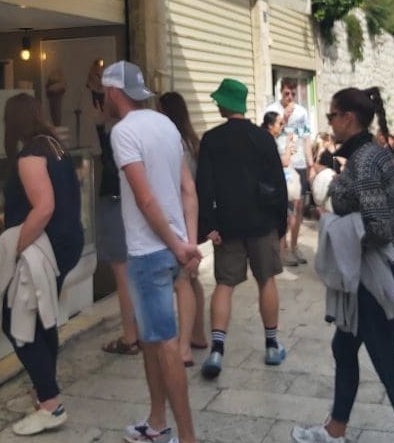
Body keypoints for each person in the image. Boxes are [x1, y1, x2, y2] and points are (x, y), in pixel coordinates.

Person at [292, 87, 394, 443]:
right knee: (343, 348)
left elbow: (379, 227)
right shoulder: (376, 153)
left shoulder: (364, 161)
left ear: (347, 118)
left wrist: (338, 230)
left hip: (373, 276)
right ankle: (334, 431)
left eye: (331, 116)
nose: (330, 123)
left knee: (390, 369)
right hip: (384, 269)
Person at [104, 61, 200, 443]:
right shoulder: (166, 125)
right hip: (173, 249)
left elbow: (144, 198)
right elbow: (188, 189)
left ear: (113, 92)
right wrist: (188, 243)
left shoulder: (123, 132)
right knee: (149, 341)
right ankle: (157, 422)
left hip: (149, 253)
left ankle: (187, 437)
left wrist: (178, 245)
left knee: (163, 345)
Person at [0, 94, 85, 435]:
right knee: (42, 318)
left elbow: (44, 207)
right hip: (65, 243)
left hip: (42, 248)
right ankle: (44, 392)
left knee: (17, 322)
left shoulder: (30, 155)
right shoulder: (54, 146)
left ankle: (50, 404)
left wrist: (15, 247)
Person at [195, 81, 289, 380]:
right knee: (266, 280)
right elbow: (278, 183)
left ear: (226, 104)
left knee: (224, 284)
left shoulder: (211, 139)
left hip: (227, 225)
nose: (216, 105)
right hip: (262, 223)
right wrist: (281, 225)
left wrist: (208, 226)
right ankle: (272, 345)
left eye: (218, 101)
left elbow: (203, 186)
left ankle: (217, 350)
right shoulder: (263, 138)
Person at [158, 91, 209, 366]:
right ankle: (197, 334)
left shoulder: (174, 144)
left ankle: (184, 345)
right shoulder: (192, 142)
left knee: (182, 281)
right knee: (191, 278)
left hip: (178, 220)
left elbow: (181, 186)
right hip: (191, 219)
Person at [95, 112, 140, 359]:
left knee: (122, 274)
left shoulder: (120, 135)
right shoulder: (145, 132)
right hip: (135, 209)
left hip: (117, 204)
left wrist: (100, 129)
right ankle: (140, 331)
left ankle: (130, 337)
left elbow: (112, 167)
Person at [265, 79, 314, 265]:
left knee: (298, 206)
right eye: (287, 93)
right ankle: (282, 249)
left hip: (298, 163)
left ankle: (294, 246)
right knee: (283, 209)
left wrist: (311, 165)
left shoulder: (302, 112)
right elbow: (266, 135)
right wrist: (284, 119)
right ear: (281, 92)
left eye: (293, 94)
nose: (290, 97)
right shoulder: (272, 110)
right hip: (280, 163)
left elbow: (306, 139)